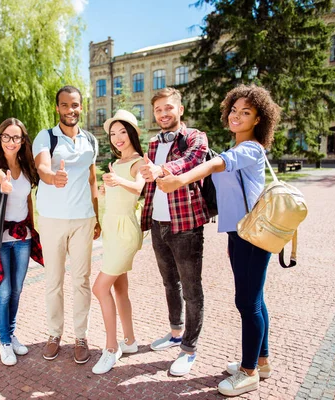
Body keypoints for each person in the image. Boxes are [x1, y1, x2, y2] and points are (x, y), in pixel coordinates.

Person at [156, 84, 281, 396]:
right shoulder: (235, 145)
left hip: (252, 235)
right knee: (256, 299)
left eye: (246, 113)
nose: (237, 116)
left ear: (258, 120)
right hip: (238, 233)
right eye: (234, 110)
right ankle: (261, 362)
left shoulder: (250, 148)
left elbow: (215, 165)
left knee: (247, 302)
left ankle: (248, 371)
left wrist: (181, 179)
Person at [139, 87, 210, 376]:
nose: (163, 114)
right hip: (159, 224)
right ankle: (175, 333)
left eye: (168, 108)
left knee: (192, 291)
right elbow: (149, 184)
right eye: (158, 110)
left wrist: (161, 170)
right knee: (170, 284)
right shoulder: (154, 143)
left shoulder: (195, 137)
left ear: (180, 109)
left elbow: (192, 161)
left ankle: (189, 349)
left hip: (186, 226)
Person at [32, 85, 101, 364]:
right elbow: (42, 168)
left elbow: (92, 179)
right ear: (57, 108)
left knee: (81, 280)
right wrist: (52, 178)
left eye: (74, 105)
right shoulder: (46, 137)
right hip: (52, 220)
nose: (70, 110)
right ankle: (53, 334)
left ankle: (81, 336)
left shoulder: (91, 141)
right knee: (54, 281)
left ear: (81, 107)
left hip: (84, 219)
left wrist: (97, 217)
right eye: (64, 105)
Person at [91, 110, 145, 375]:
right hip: (112, 231)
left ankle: (111, 348)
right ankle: (130, 341)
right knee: (120, 289)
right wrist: (106, 189)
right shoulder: (116, 162)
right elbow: (119, 193)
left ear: (132, 133)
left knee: (100, 289)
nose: (118, 138)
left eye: (122, 132)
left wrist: (118, 181)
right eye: (113, 134)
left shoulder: (138, 161)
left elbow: (138, 188)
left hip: (125, 232)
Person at [0, 118, 41, 366]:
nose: (11, 141)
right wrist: (1, 179)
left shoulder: (27, 167)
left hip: (22, 238)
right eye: (6, 136)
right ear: (0, 139)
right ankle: (4, 342)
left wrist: (32, 225)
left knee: (16, 291)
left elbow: (28, 200)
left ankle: (11, 334)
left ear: (22, 140)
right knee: (3, 290)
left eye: (16, 137)